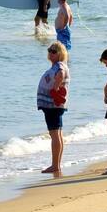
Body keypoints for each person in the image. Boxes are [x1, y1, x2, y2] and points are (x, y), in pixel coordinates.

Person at [37, 42, 70, 174]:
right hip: (53, 105)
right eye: (49, 50)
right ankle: (56, 164)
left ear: (60, 54)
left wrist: (55, 88)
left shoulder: (60, 65)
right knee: (57, 134)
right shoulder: (58, 65)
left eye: (54, 51)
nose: (50, 53)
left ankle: (55, 165)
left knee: (55, 134)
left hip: (53, 105)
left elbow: (61, 74)